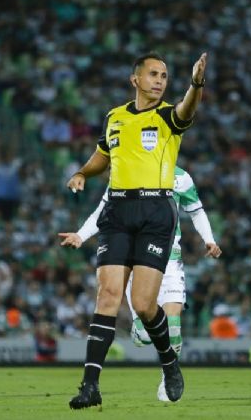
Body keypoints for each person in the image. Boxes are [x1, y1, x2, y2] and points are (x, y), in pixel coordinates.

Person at [61, 52, 207, 409]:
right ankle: (90, 386)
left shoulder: (169, 116)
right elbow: (102, 155)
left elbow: (187, 110)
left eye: (165, 76)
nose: (160, 81)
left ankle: (169, 362)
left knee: (143, 305)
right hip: (118, 209)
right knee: (108, 295)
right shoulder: (115, 117)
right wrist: (82, 172)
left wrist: (196, 84)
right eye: (154, 74)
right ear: (135, 79)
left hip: (156, 211)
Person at [59, 165, 221, 401]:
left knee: (173, 323)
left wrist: (209, 240)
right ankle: (140, 329)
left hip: (170, 255)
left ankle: (168, 377)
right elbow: (105, 208)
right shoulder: (127, 173)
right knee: (145, 327)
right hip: (137, 255)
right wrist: (81, 235)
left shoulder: (181, 178)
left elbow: (196, 211)